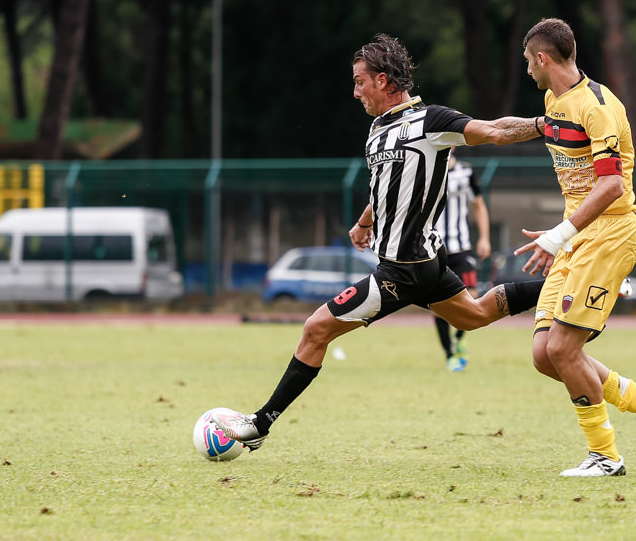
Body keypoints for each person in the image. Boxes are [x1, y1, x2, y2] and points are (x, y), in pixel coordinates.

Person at [212, 33, 545, 451]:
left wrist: (543, 124)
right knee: (474, 316)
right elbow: (385, 185)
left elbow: (494, 131)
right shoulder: (376, 128)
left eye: (359, 82)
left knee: (316, 330)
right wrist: (364, 222)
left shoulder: (432, 121)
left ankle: (260, 424)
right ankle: (569, 285)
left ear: (384, 81)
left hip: (403, 270)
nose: (355, 92)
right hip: (422, 262)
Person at [511, 18, 636, 476]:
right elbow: (526, 128)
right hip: (576, 236)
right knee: (546, 354)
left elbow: (608, 187)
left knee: (565, 349)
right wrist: (461, 130)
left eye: (529, 61)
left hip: (608, 234)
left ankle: (605, 458)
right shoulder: (554, 100)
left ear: (543, 59)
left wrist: (557, 235)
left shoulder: (598, 107)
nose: (527, 69)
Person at [433, 150, 492, 372]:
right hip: (434, 250)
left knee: (472, 300)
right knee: (438, 306)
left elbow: (478, 205)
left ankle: (459, 338)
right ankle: (450, 354)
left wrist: (485, 238)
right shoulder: (426, 169)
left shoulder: (465, 171)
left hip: (461, 248)